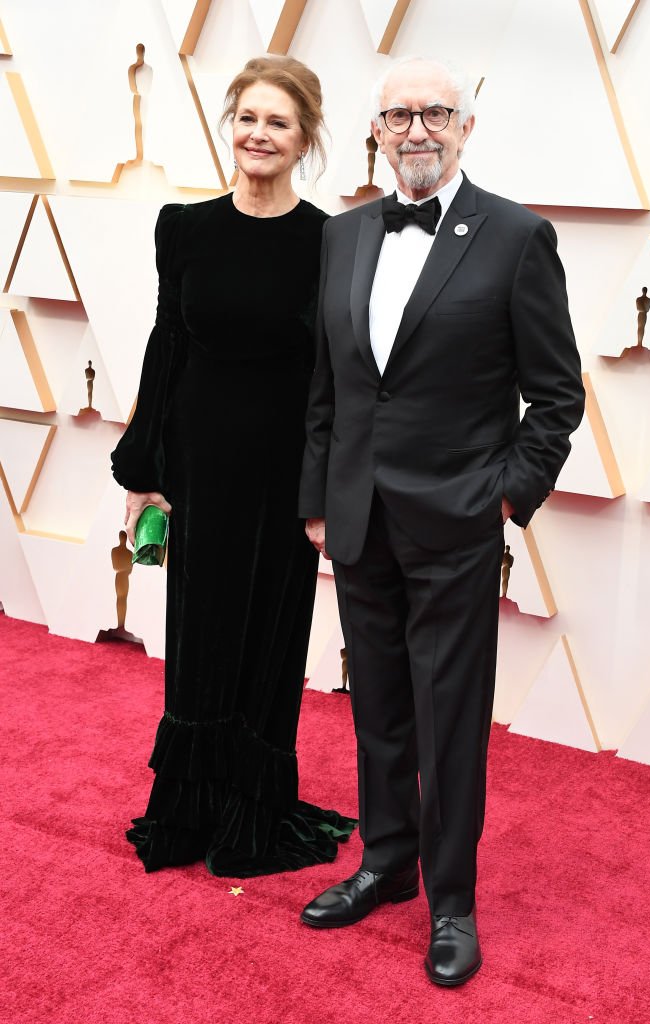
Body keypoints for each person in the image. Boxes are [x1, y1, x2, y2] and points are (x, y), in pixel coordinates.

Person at [298, 57, 585, 986]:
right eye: (397, 115)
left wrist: (504, 495)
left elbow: (553, 396)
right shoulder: (341, 236)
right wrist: (315, 499)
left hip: (456, 521)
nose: (416, 129)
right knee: (374, 702)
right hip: (355, 517)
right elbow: (327, 388)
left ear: (466, 126)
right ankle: (384, 862)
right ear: (374, 130)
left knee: (447, 716)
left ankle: (450, 900)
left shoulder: (515, 236)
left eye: (435, 113)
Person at [111, 54, 355, 879]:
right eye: (247, 117)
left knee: (269, 636)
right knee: (201, 634)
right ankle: (188, 810)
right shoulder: (184, 226)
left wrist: (326, 487)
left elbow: (336, 373)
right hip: (201, 464)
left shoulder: (330, 241)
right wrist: (146, 465)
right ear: (230, 124)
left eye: (277, 122)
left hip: (285, 472)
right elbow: (166, 344)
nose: (258, 134)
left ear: (304, 138)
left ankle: (252, 815)